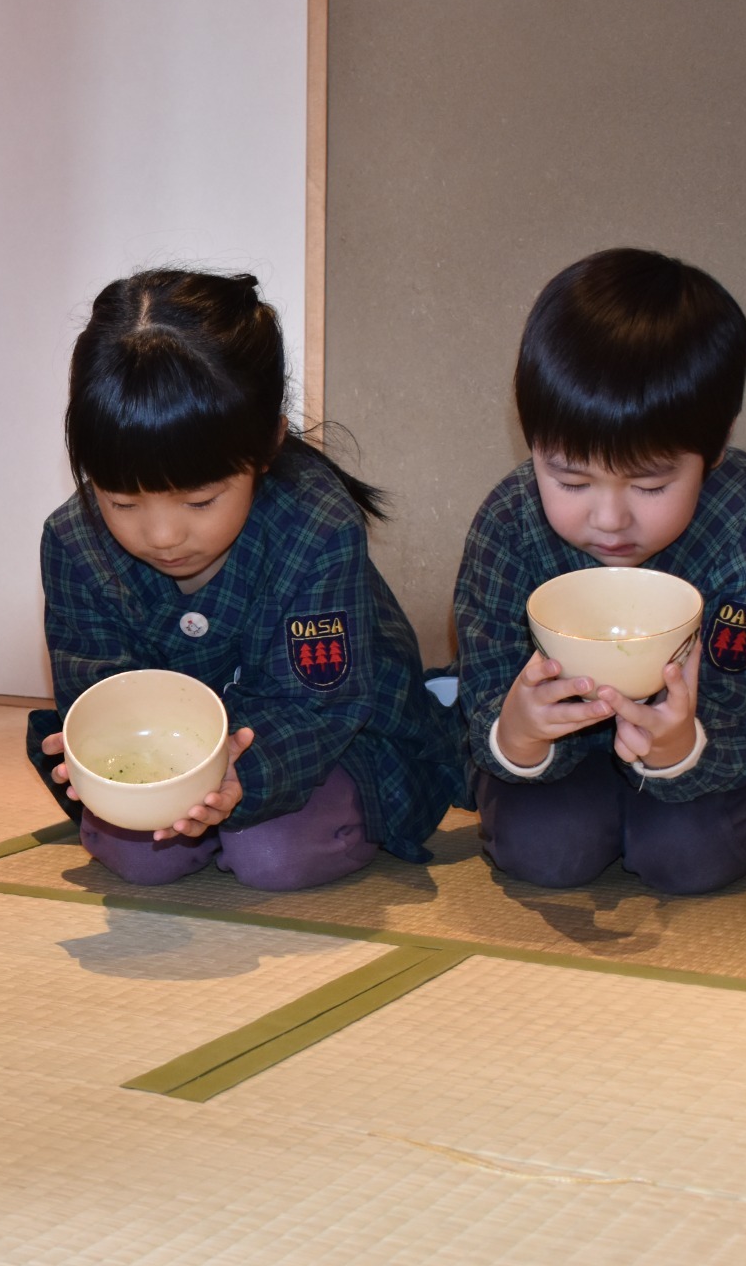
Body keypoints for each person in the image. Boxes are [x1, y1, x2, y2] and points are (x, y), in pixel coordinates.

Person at [29, 269, 461, 889]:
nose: (162, 535)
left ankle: (442, 696)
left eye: (199, 501)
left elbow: (322, 705)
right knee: (136, 851)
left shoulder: (316, 525)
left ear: (267, 445)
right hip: (172, 758)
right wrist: (100, 755)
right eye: (122, 502)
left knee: (272, 855)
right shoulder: (72, 540)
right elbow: (96, 682)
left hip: (326, 732)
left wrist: (241, 778)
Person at [455, 247, 746, 893]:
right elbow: (489, 683)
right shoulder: (510, 520)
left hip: (703, 745)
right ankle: (603, 811)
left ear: (714, 447)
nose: (609, 519)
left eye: (651, 485)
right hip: (562, 762)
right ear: (532, 440)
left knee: (684, 853)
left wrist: (677, 746)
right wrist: (517, 734)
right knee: (544, 851)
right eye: (570, 478)